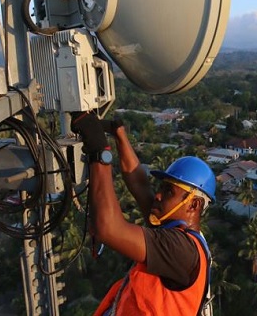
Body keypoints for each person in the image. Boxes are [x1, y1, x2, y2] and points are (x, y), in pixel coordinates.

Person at [70, 111, 216, 316]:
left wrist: (99, 151)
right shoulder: (173, 231)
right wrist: (119, 135)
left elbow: (109, 228)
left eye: (168, 192)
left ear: (194, 205)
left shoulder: (180, 249)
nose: (158, 195)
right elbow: (139, 182)